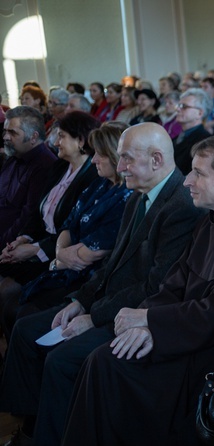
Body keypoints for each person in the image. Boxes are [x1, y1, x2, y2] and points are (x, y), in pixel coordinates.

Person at [63, 135, 214, 446]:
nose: (187, 181)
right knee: (102, 360)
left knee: (109, 366)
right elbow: (174, 282)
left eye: (198, 173)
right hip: (183, 330)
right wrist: (145, 317)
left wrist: (153, 326)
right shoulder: (213, 220)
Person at [0, 123, 202, 445]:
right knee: (26, 330)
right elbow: (112, 264)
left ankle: (49, 438)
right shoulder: (138, 197)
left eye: (126, 159)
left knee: (62, 360)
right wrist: (80, 301)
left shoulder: (181, 207)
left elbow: (155, 286)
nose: (119, 167)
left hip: (136, 314)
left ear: (156, 159)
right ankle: (32, 425)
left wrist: (94, 316)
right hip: (109, 300)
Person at [3, 123, 133, 336]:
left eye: (99, 154)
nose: (93, 160)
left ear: (115, 156)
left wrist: (59, 257)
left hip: (89, 277)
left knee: (23, 314)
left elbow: (93, 252)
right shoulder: (100, 184)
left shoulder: (127, 196)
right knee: (14, 305)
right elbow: (68, 224)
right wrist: (60, 254)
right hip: (65, 263)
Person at [0, 111, 100, 310]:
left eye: (61, 136)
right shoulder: (60, 166)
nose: (55, 142)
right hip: (40, 244)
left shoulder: (93, 177)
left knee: (9, 294)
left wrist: (35, 249)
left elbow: (75, 229)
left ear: (80, 141)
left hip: (61, 254)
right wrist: (23, 238)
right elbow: (37, 212)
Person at [0, 106, 57, 247]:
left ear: (33, 137)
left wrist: (2, 244)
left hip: (12, 244)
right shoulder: (14, 156)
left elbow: (28, 217)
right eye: (5, 131)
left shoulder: (45, 165)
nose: (5, 137)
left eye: (12, 132)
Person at [172, 88, 213, 174]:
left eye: (184, 107)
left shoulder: (206, 142)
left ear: (200, 113)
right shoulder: (176, 138)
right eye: (178, 106)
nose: (178, 110)